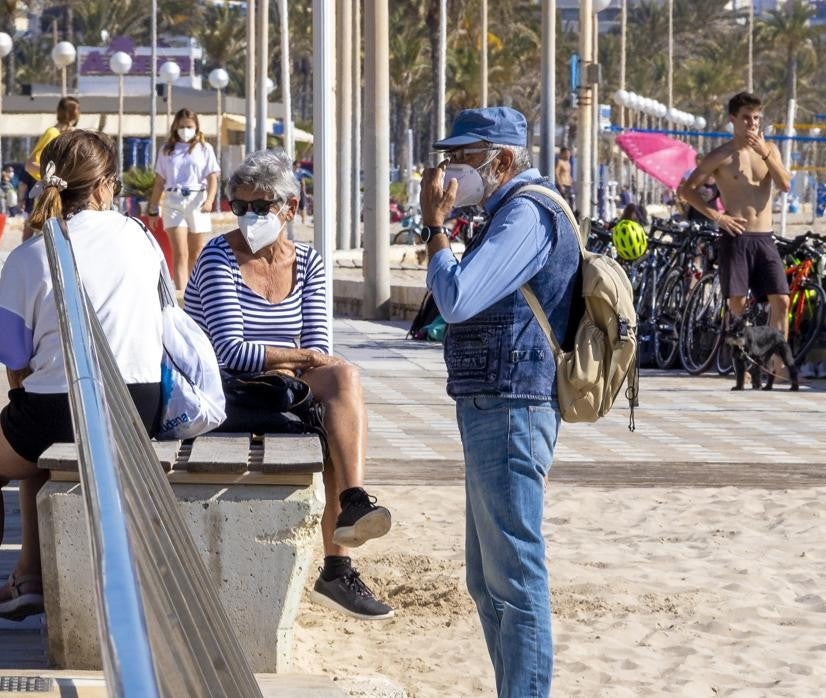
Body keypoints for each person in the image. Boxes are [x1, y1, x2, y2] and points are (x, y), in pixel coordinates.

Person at [0, 130, 163, 635]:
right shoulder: (140, 237)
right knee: (37, 448)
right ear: (105, 187)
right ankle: (28, 576)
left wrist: (27, 395)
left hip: (60, 406)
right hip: (140, 405)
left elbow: (14, 361)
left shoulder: (30, 255)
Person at [185, 149, 393, 621]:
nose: (247, 217)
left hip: (281, 390)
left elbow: (321, 347)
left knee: (344, 379)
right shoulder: (219, 257)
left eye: (260, 207)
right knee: (330, 416)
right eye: (240, 207)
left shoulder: (310, 263)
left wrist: (296, 363)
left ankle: (353, 507)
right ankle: (338, 568)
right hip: (224, 395)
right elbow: (230, 354)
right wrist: (295, 360)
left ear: (290, 209)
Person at [419, 107, 582, 697]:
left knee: (515, 577)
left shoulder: (527, 215)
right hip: (493, 403)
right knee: (487, 580)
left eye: (460, 160)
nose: (447, 172)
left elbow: (458, 299)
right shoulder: (504, 213)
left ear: (503, 161)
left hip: (514, 406)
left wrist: (435, 225)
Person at [679, 92, 792, 339]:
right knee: (738, 305)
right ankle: (742, 363)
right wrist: (718, 217)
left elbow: (784, 184)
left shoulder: (771, 150)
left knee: (782, 301)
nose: (752, 124)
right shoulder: (722, 155)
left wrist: (765, 153)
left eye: (756, 119)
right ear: (733, 119)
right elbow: (686, 190)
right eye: (746, 118)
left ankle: (776, 363)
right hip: (736, 236)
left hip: (765, 237)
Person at [148, 108, 221, 290]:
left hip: (198, 199)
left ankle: (195, 291)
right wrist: (153, 208)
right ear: (175, 127)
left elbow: (213, 178)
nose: (185, 130)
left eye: (189, 126)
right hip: (173, 199)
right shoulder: (167, 150)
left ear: (196, 127)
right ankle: (182, 294)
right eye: (181, 126)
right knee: (180, 252)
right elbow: (159, 182)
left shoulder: (205, 148)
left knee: (196, 253)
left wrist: (210, 200)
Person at [21, 97, 80, 239]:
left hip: (68, 196)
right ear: (72, 113)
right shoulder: (53, 133)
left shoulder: (72, 134)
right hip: (52, 194)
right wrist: (52, 177)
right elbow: (31, 164)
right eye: (77, 110)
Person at [554, 146, 575, 210]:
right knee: (563, 202)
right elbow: (556, 173)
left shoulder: (568, 163)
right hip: (562, 185)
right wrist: (560, 185)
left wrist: (571, 182)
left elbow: (568, 174)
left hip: (568, 185)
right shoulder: (560, 162)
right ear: (563, 154)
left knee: (571, 201)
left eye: (569, 154)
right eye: (566, 153)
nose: (568, 155)